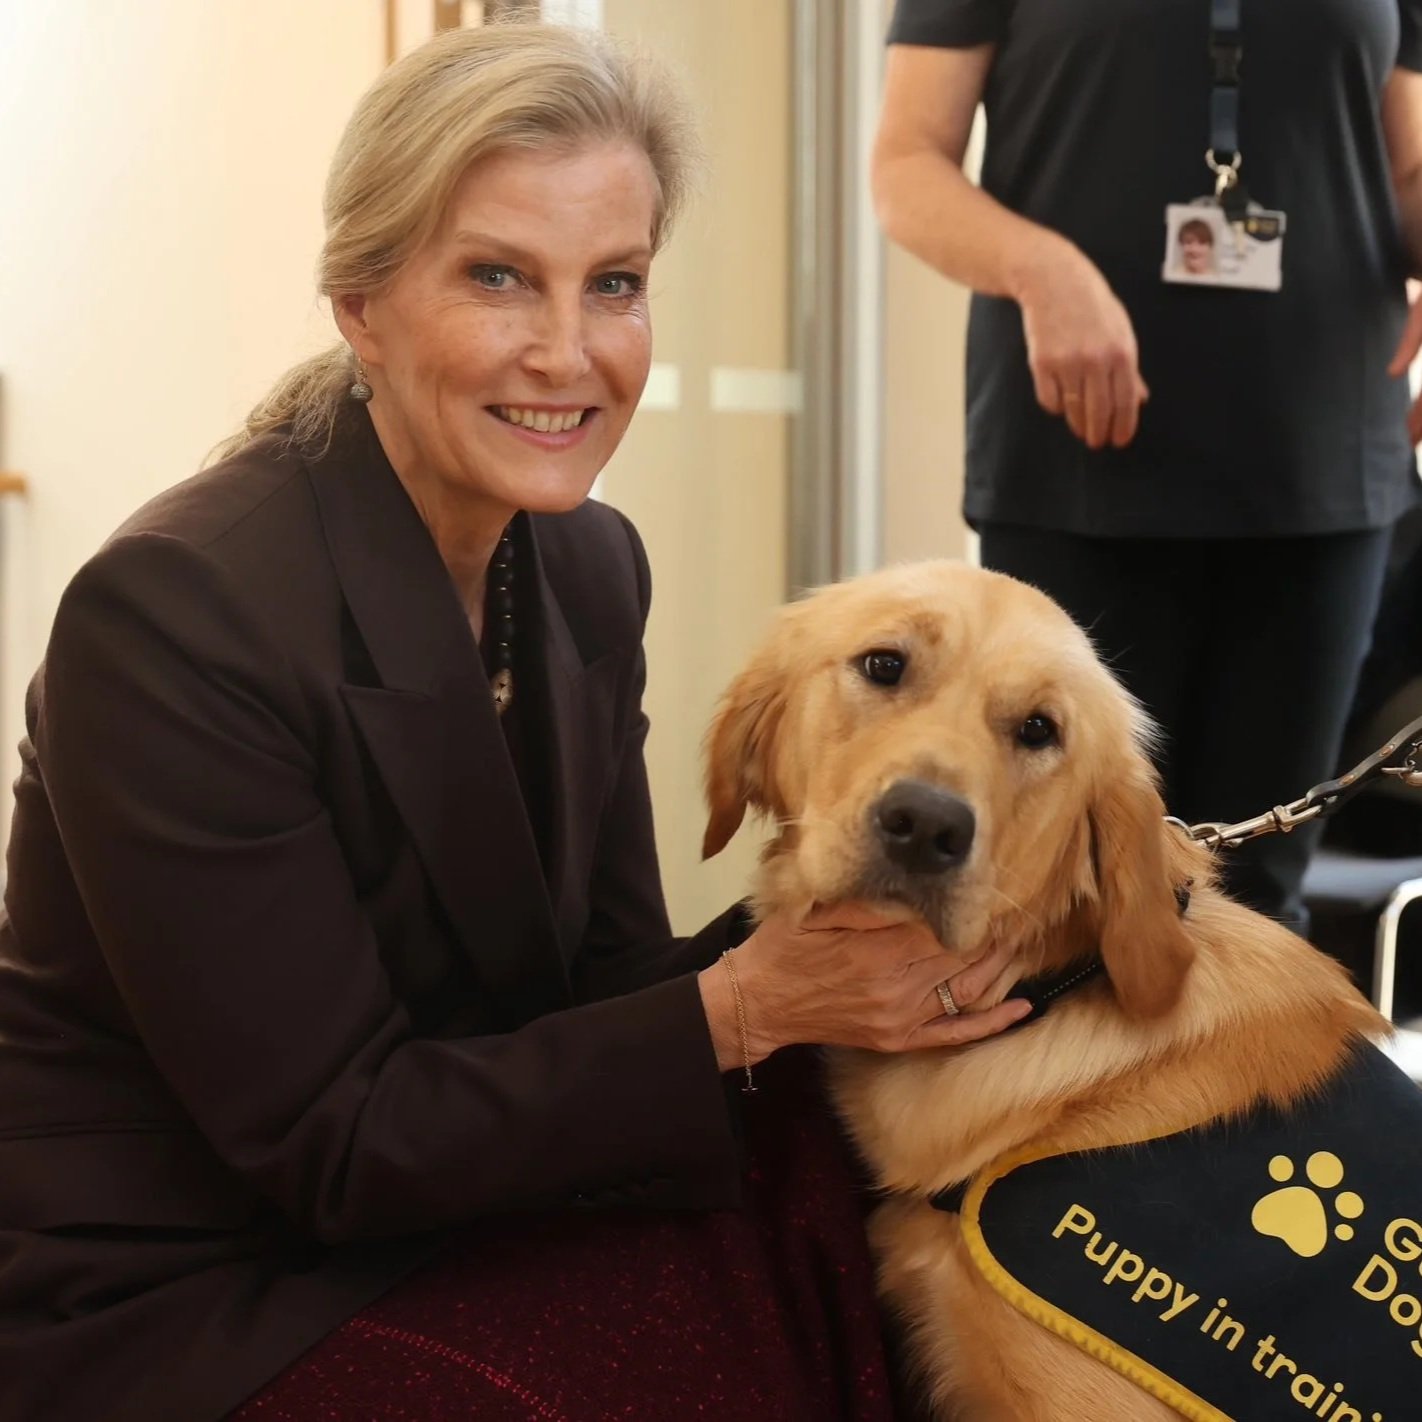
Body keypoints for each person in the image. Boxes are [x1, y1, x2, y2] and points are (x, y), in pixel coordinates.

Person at [0, 22, 1029, 1422]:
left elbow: (599, 982)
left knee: (881, 1210)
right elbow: (333, 1144)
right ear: (360, 303)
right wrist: (745, 1004)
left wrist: (864, 922)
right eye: (497, 277)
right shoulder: (176, 614)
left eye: (613, 284)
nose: (566, 350)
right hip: (197, 1284)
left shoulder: (591, 568)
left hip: (454, 1188)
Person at [874, 0, 1422, 931]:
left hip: (1323, 473)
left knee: (1255, 899)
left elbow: (1405, 169)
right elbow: (906, 165)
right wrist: (1042, 268)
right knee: (1059, 886)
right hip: (1080, 464)